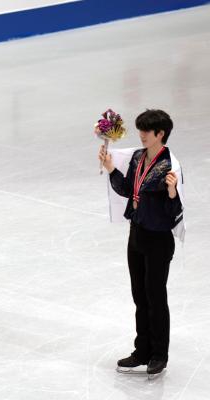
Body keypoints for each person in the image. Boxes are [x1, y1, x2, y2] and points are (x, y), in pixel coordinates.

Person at [99, 109, 183, 376]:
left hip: (158, 239)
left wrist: (172, 191)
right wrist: (111, 168)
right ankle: (142, 350)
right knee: (139, 295)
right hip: (136, 234)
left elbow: (175, 212)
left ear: (160, 134)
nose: (141, 134)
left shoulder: (169, 166)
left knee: (155, 296)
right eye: (140, 129)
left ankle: (159, 354)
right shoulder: (138, 157)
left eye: (147, 130)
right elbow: (127, 189)